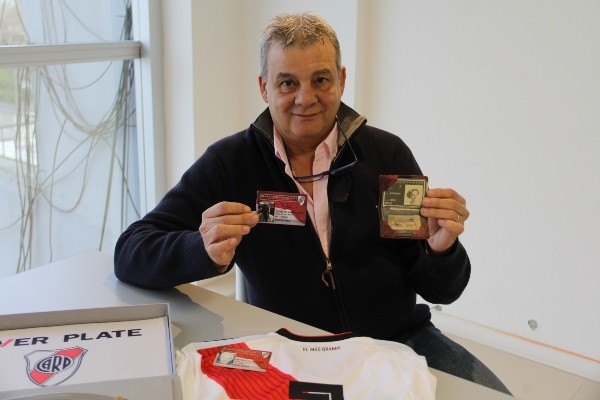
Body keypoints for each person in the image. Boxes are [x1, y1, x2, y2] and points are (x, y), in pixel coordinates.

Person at [114, 12, 510, 394]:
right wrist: (200, 249)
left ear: (341, 80)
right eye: (287, 83)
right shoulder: (230, 163)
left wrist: (441, 251)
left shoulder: (386, 154)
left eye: (320, 79)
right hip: (290, 350)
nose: (306, 98)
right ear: (264, 87)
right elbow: (131, 250)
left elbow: (441, 290)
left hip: (398, 340)